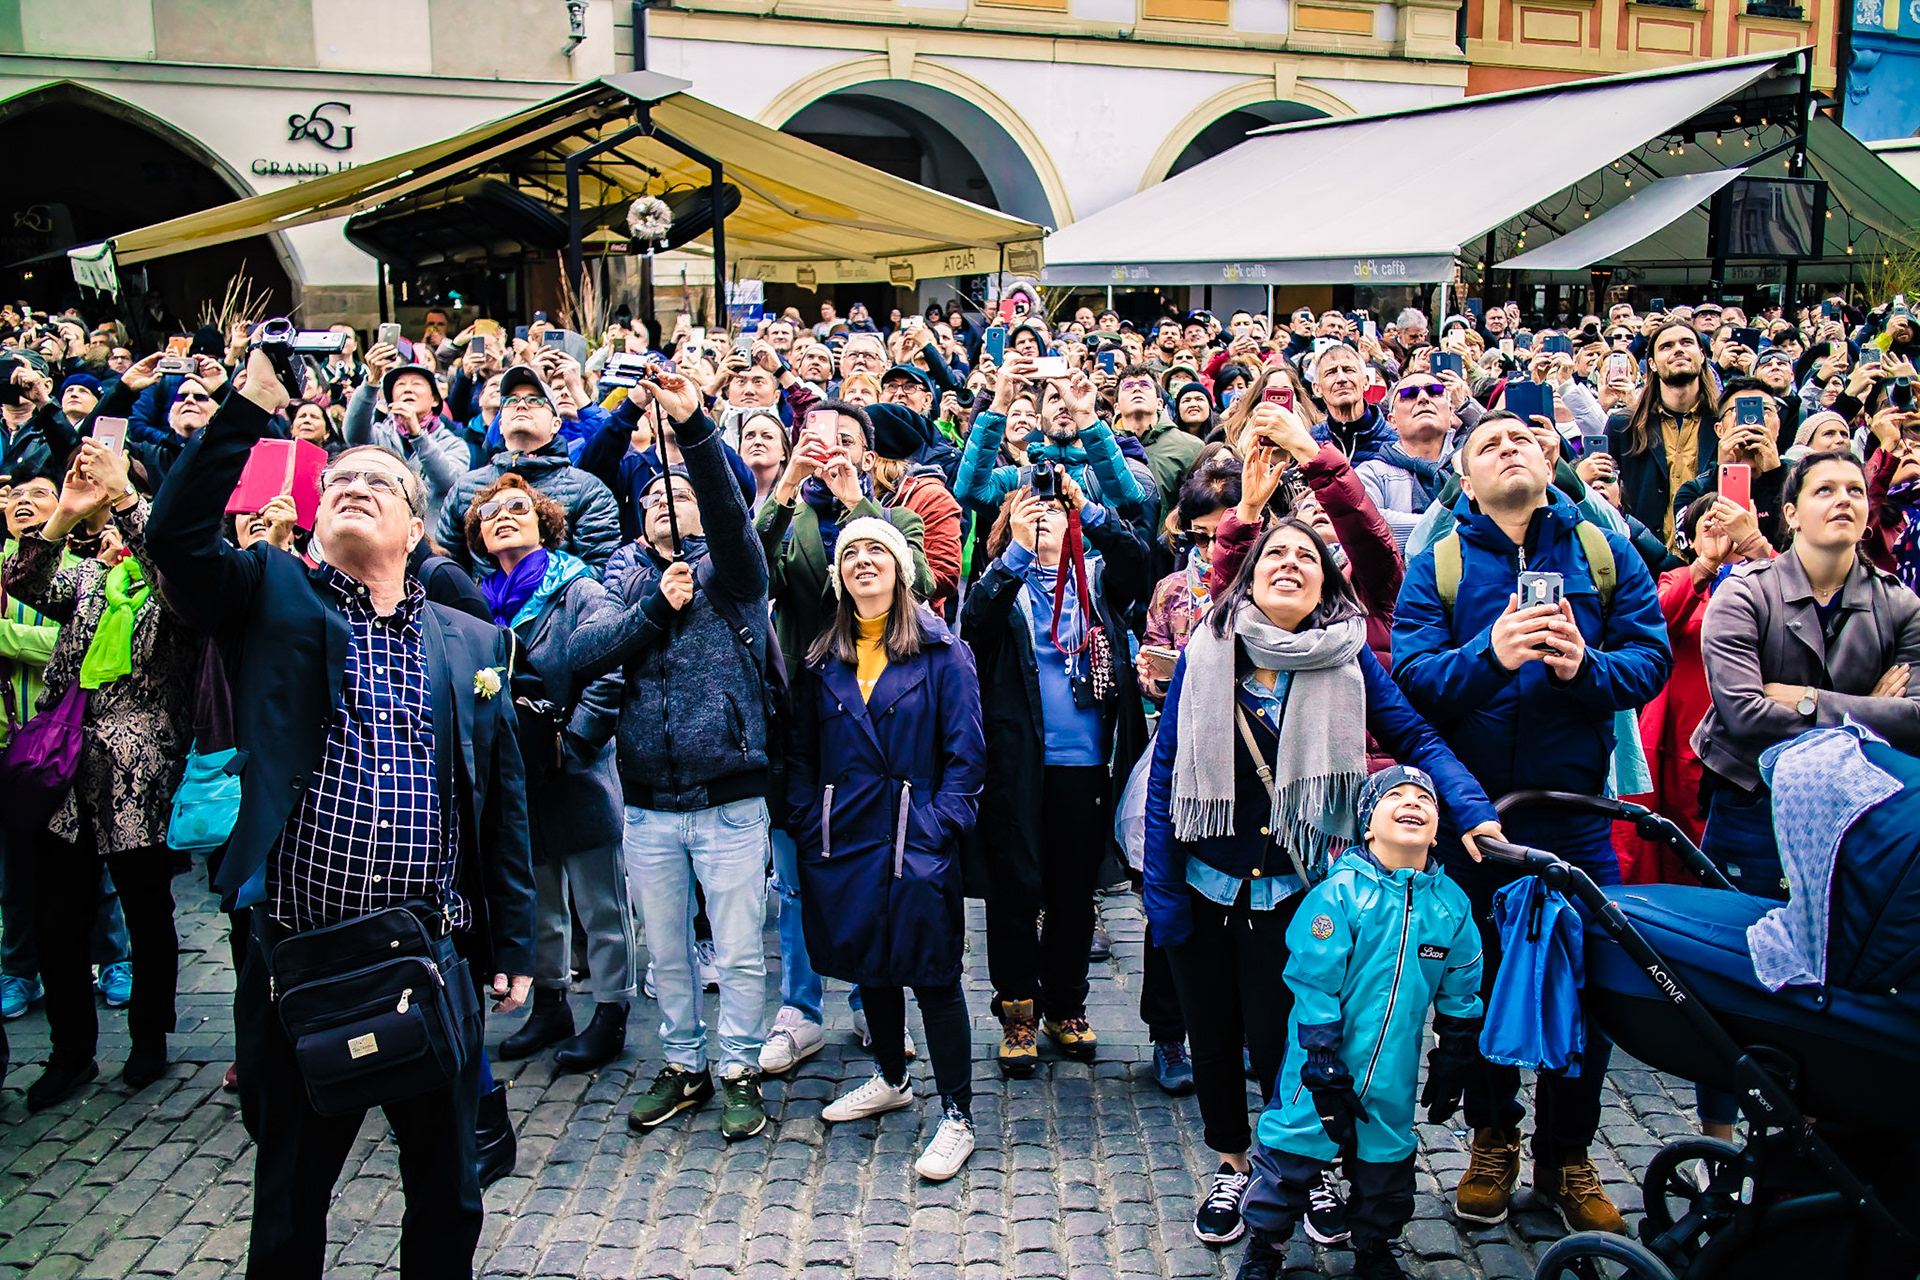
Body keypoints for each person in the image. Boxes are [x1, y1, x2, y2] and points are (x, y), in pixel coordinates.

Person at [144, 348, 535, 1280]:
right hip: (299, 954)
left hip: (427, 952)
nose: (354, 486)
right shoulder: (268, 590)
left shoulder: (473, 640)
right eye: (340, 481)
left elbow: (500, 802)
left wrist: (515, 940)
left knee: (448, 1190)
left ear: (416, 528)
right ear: (317, 518)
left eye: (378, 482)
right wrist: (247, 410)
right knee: (290, 1198)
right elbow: (175, 540)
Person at [1143, 513, 1497, 1248]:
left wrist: (1470, 809)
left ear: (1325, 583)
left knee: (1294, 1041)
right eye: (1275, 553)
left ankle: (1306, 1168)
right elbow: (1166, 772)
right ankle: (1233, 1164)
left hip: (1299, 891)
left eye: (1307, 556)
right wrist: (1162, 891)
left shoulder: (1348, 658)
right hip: (1206, 886)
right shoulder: (1210, 648)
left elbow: (1416, 735)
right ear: (1250, 578)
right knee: (1213, 1039)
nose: (1290, 563)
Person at [1392, 413, 1671, 1235]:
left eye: (1521, 439)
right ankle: (1492, 1141)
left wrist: (1585, 666)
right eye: (1488, 444)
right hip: (1478, 823)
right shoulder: (1441, 561)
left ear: (1549, 464)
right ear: (1467, 482)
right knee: (1478, 991)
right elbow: (1413, 678)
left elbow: (1648, 660)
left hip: (1574, 817)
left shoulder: (1602, 550)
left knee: (1586, 990)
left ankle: (1566, 1155)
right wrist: (1493, 654)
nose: (1509, 448)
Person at [570, 370, 775, 1143]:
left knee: (739, 952)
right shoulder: (619, 576)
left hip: (729, 797)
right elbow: (584, 654)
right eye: (653, 495)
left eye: (678, 494)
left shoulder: (735, 569)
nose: (663, 500)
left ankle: (741, 1069)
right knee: (668, 953)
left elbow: (730, 514)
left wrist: (693, 429)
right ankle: (685, 1067)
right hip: (648, 803)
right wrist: (655, 609)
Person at [786, 517, 985, 1181]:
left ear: (901, 568)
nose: (863, 562)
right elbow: (801, 753)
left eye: (877, 550)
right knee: (869, 962)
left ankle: (957, 1113)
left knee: (933, 973)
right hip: (845, 835)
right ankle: (893, 1078)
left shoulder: (942, 652)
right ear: (838, 574)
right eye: (851, 553)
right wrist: (809, 821)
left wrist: (938, 825)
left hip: (913, 832)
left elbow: (966, 755)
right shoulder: (822, 658)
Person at [3, 438, 199, 1109]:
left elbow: (176, 573)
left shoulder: (169, 579)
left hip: (139, 775)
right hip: (63, 772)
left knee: (147, 911)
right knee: (57, 916)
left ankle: (149, 1039)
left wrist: (124, 496)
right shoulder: (90, 579)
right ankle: (70, 1053)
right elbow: (26, 582)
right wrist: (61, 514)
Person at [1235, 767, 1485, 1280]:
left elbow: (1462, 979)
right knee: (1291, 1152)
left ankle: (1375, 1247)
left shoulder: (1451, 906)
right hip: (1320, 1065)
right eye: (1396, 795)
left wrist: (1456, 1049)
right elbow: (1313, 978)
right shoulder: (1340, 895)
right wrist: (1321, 1054)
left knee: (1386, 1162)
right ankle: (1265, 1246)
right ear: (1367, 826)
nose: (1412, 803)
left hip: (1394, 1068)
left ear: (1437, 831)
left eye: (1424, 799)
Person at [963, 475, 1148, 1077]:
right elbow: (975, 625)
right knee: (1014, 889)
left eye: (1054, 508)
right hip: (1017, 765)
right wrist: (1016, 550)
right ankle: (1017, 1011)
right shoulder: (1003, 582)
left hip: (1086, 763)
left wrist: (1086, 508)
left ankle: (1065, 1006)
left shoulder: (1096, 577)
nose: (1045, 515)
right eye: (1031, 507)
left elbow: (1136, 559)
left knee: (1073, 893)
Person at [1692, 449, 1920, 897]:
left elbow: (1915, 720)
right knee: (1745, 930)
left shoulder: (1900, 604)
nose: (1844, 499)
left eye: (1855, 490)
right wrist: (1871, 711)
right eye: (1825, 490)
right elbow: (1744, 716)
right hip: (1754, 801)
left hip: (1859, 805)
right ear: (1791, 514)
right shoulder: (1744, 594)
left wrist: (1809, 700)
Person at [466, 476, 635, 1072]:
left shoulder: (578, 589)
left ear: (545, 523)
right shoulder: (477, 602)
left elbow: (611, 664)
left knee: (600, 902)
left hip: (576, 771)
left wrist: (575, 739)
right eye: (490, 512)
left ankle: (612, 1010)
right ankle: (551, 1003)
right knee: (536, 900)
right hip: (515, 779)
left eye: (519, 507)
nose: (503, 516)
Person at [433, 366, 621, 576]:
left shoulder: (588, 490)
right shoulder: (466, 487)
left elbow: (600, 568)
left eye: (535, 400)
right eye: (511, 401)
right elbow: (446, 567)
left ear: (556, 424)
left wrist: (543, 592)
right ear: (500, 425)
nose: (521, 405)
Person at [1609, 320, 1720, 548]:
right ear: (1652, 364)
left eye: (1686, 342)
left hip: (1713, 551)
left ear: (1702, 355)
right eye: (1666, 346)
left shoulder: (1724, 423)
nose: (1678, 349)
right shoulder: (1623, 425)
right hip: (1645, 554)